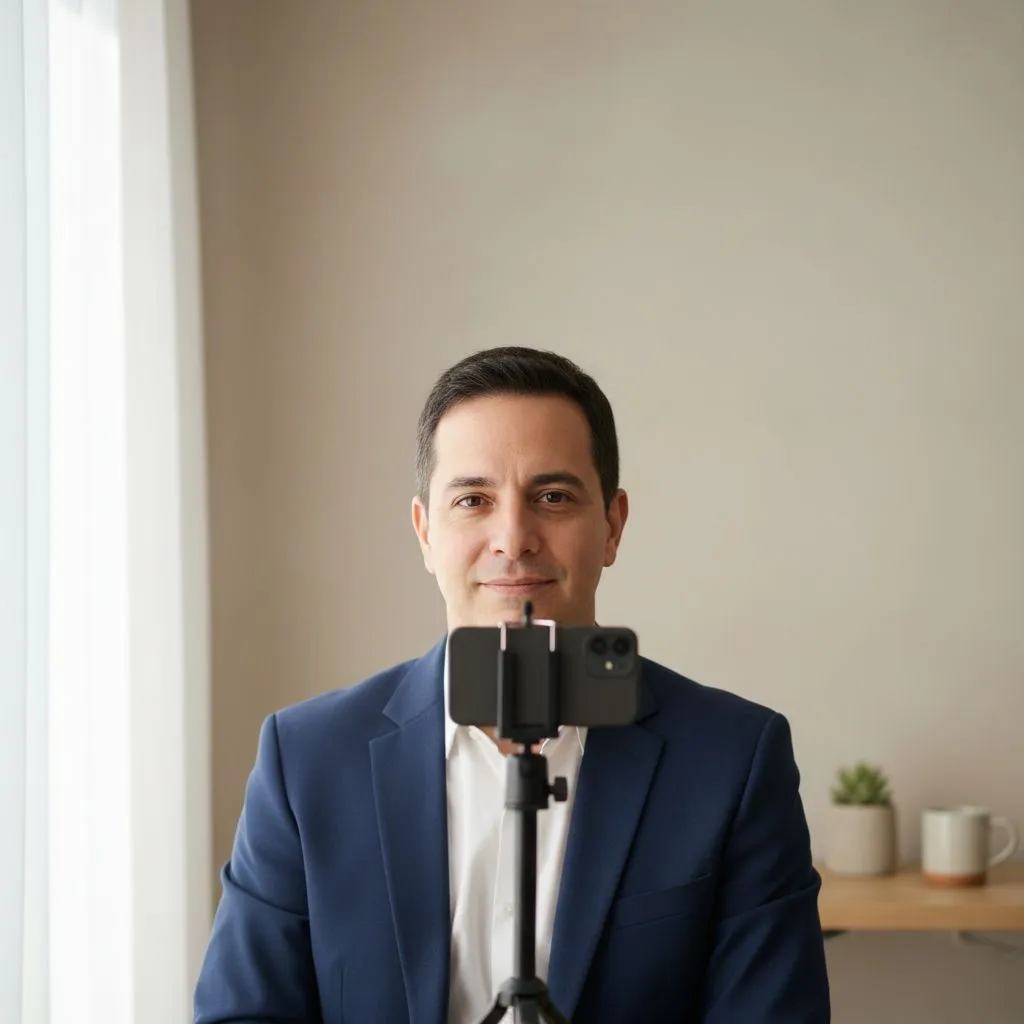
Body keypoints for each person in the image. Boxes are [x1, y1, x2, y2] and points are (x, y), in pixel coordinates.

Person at [194, 347, 830, 1023]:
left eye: (552, 498)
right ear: (425, 533)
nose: (514, 537)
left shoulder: (732, 760)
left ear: (612, 526)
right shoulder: (307, 759)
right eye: (473, 500)